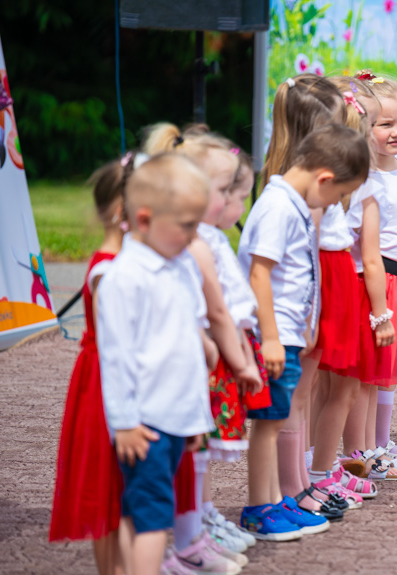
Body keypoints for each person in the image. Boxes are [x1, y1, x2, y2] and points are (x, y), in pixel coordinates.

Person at [238, 123, 369, 540]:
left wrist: (306, 326)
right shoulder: (280, 206)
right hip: (276, 336)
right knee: (271, 419)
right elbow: (261, 273)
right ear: (324, 179)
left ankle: (276, 499)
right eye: (335, 198)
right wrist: (273, 337)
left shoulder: (293, 201)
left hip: (292, 332)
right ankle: (262, 507)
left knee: (279, 416)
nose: (332, 206)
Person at [143, 125, 262, 569]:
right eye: (226, 189)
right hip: (205, 356)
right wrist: (237, 358)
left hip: (217, 351)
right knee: (196, 445)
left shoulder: (207, 237)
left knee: (202, 447)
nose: (234, 200)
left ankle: (199, 520)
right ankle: (192, 529)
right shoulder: (193, 242)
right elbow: (212, 311)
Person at [97, 153, 214, 575]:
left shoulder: (177, 264)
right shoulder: (123, 278)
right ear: (143, 220)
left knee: (138, 513)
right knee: (150, 519)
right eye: (185, 225)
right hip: (145, 423)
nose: (193, 235)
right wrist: (124, 422)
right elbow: (116, 359)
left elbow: (185, 330)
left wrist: (195, 416)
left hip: (174, 416)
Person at [49, 155, 132, 575]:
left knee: (118, 492)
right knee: (110, 488)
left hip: (106, 375)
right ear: (122, 213)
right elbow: (120, 341)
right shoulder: (110, 272)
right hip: (108, 381)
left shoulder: (118, 264)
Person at [309, 76, 388, 503]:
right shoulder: (359, 187)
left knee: (324, 390)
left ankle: (319, 467)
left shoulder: (326, 183)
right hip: (344, 292)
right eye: (372, 125)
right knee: (338, 388)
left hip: (337, 289)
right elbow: (370, 258)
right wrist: (381, 314)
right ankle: (319, 471)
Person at [343, 72, 397, 473]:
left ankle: (382, 443)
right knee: (370, 373)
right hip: (381, 282)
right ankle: (365, 450)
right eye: (385, 124)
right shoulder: (365, 176)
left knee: (390, 372)